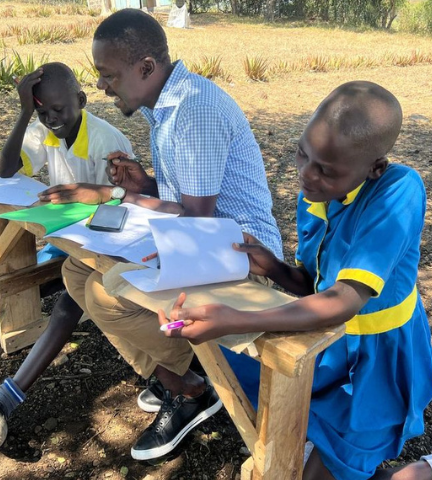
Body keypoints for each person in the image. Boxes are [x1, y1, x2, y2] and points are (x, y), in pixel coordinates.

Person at [157, 81, 432, 480]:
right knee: (298, 434)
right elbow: (317, 285)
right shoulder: (316, 193)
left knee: (331, 467)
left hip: (375, 361)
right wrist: (274, 269)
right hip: (327, 345)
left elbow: (343, 299)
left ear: (374, 168)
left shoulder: (399, 191)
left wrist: (237, 319)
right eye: (303, 153)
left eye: (325, 170)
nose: (306, 175)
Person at [56, 8, 285, 461]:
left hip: (241, 255)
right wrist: (143, 186)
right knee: (76, 270)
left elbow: (197, 219)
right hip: (204, 238)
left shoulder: (193, 110)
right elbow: (186, 198)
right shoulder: (166, 106)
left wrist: (109, 193)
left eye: (108, 76)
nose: (102, 87)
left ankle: (191, 387)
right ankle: (180, 379)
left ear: (145, 67)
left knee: (107, 294)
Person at [0, 62, 134, 447]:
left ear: (81, 100)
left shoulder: (108, 141)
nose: (52, 119)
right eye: (43, 112)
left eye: (58, 110)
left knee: (67, 301)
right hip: (65, 236)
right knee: (34, 276)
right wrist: (25, 113)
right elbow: (6, 171)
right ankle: (9, 383)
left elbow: (122, 206)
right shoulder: (44, 131)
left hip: (101, 243)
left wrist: (83, 207)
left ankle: (4, 401)